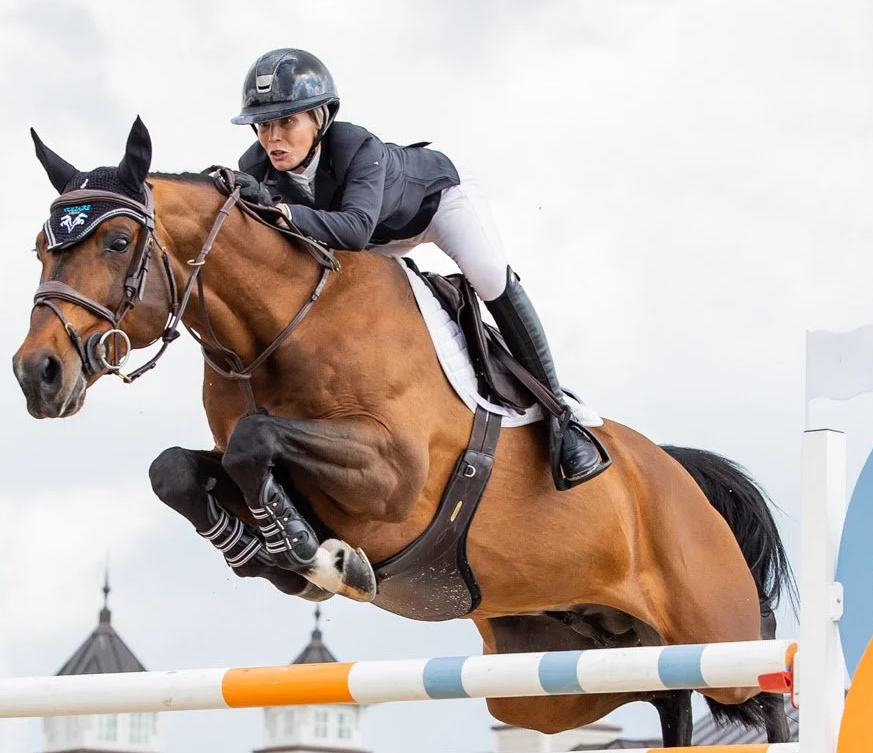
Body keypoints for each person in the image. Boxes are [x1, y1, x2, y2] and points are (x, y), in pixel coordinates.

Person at [228, 47, 609, 489]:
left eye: (286, 123)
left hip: (437, 205)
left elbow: (354, 230)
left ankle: (562, 418)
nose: (273, 138)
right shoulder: (255, 168)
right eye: (263, 125)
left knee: (488, 273)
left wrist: (283, 214)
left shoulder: (356, 147)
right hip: (376, 239)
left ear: (320, 118)